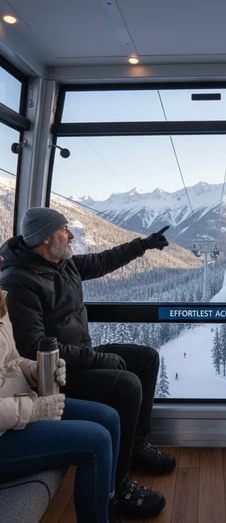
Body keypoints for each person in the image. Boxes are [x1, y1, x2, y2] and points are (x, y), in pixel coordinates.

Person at [0, 207, 175, 520]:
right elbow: (34, 348)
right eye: (64, 230)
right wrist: (97, 358)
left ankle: (134, 446)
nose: (71, 235)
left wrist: (142, 245)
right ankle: (119, 487)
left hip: (79, 355)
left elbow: (101, 261)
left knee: (146, 359)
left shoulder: (62, 261)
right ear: (43, 239)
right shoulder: (19, 282)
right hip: (55, 374)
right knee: (127, 385)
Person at [0, 286, 125, 523]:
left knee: (108, 418)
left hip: (18, 408)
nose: (1, 256)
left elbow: (12, 360)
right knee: (96, 441)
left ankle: (109, 506)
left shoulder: (0, 301)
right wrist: (33, 411)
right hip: (8, 429)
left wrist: (35, 371)